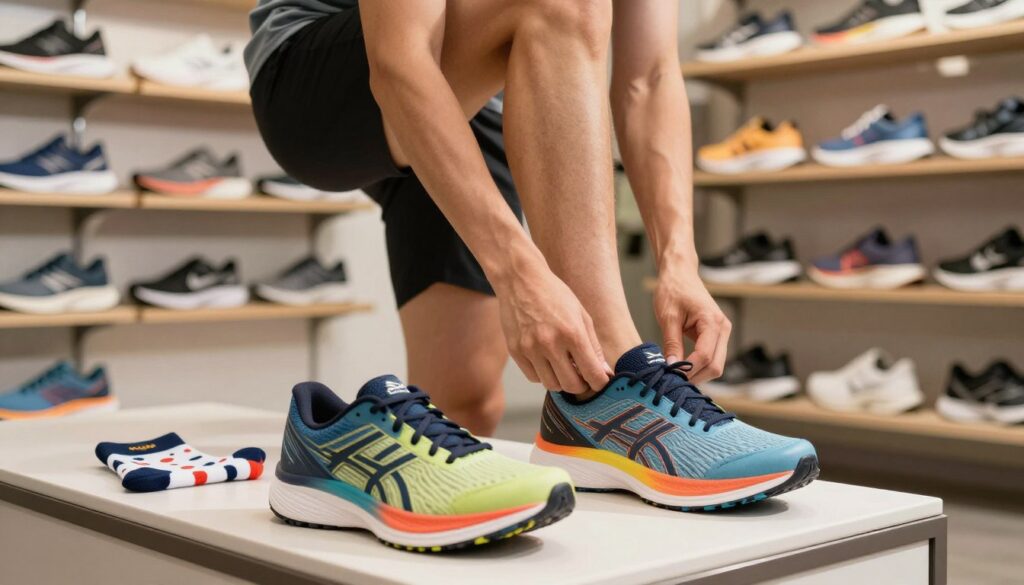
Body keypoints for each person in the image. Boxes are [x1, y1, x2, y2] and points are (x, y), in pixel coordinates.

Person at [245, 0, 731, 436]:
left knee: (466, 403)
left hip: (477, 100)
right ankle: (619, 380)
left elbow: (649, 79)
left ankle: (419, 492)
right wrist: (520, 275)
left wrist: (679, 261)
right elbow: (400, 59)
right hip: (321, 72)